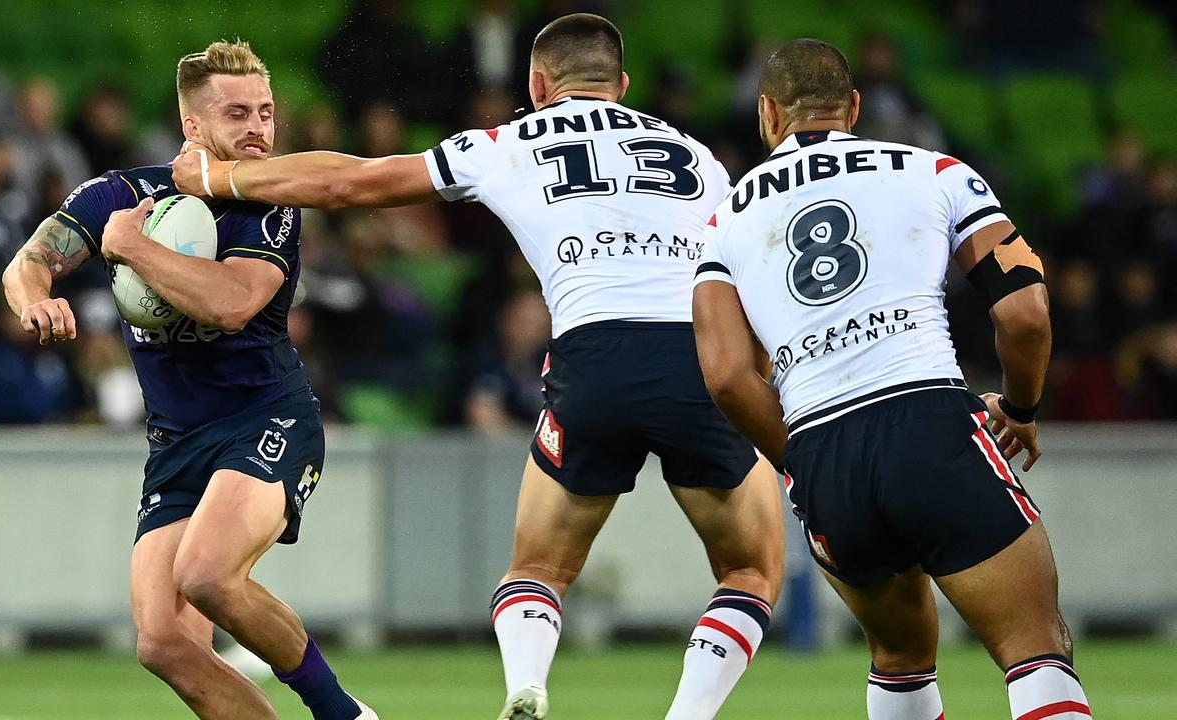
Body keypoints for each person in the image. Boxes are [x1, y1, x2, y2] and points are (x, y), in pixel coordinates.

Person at [173, 14, 784, 720]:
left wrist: (224, 175)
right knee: (749, 569)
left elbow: (356, 184)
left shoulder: (509, 141)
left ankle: (526, 683)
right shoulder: (697, 154)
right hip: (695, 355)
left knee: (536, 571)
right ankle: (688, 716)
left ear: (535, 83)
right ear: (621, 85)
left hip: (592, 359)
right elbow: (742, 273)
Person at [693, 39, 1090, 720]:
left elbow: (727, 376)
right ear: (852, 107)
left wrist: (803, 461)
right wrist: (1020, 405)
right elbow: (1025, 313)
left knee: (901, 659)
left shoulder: (723, 220)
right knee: (1034, 647)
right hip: (927, 422)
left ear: (766, 114)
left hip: (823, 455)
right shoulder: (932, 169)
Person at [0, 41, 376, 720]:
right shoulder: (122, 194)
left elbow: (231, 302)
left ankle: (343, 714)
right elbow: (29, 259)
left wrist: (131, 247)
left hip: (268, 420)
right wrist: (33, 297)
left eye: (266, 111)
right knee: (164, 641)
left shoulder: (269, 204)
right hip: (177, 442)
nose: (260, 127)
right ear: (194, 129)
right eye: (239, 113)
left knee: (207, 575)